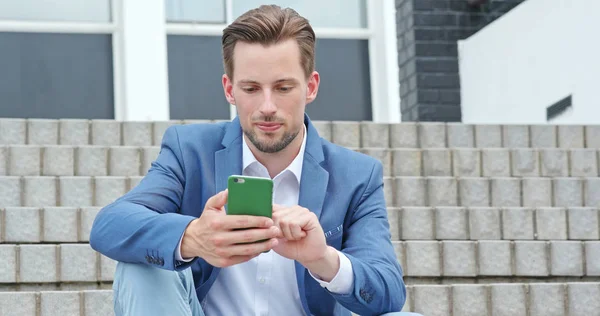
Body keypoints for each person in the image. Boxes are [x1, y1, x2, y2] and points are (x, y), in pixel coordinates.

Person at [90, 5, 416, 316]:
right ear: (230, 90)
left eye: (283, 87)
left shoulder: (356, 175)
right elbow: (111, 225)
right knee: (143, 264)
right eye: (251, 88)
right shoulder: (189, 150)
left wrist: (324, 260)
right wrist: (193, 237)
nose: (267, 106)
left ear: (311, 87)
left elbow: (387, 290)